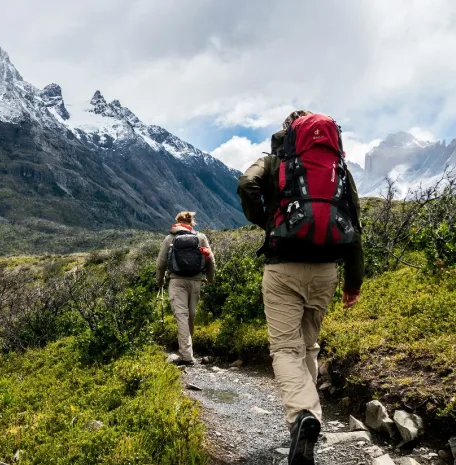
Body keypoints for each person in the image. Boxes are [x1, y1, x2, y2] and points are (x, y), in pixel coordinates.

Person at [237, 110, 364, 465]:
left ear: (288, 132)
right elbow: (353, 223)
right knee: (309, 345)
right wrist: (353, 282)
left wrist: (266, 219)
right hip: (327, 271)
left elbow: (246, 184)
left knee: (285, 350)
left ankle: (303, 416)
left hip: (283, 268)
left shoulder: (275, 161)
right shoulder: (338, 168)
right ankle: (308, 420)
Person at [155, 211, 215, 366]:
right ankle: (187, 351)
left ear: (177, 222)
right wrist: (210, 278)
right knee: (191, 315)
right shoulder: (200, 237)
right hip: (196, 281)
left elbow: (160, 263)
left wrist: (160, 281)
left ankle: (186, 356)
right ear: (191, 223)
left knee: (181, 315)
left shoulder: (170, 238)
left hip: (176, 281)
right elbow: (211, 259)